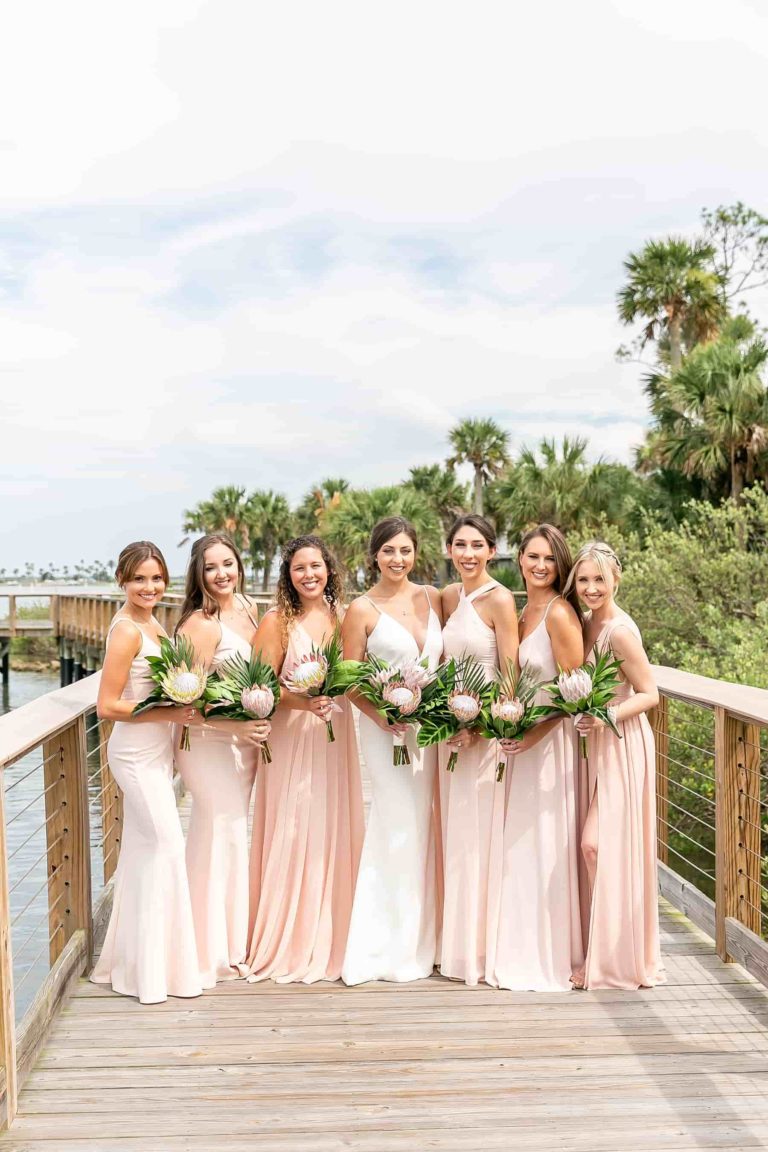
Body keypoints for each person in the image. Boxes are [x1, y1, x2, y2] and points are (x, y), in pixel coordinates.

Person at [246, 535, 364, 983]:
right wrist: (301, 702)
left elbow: (355, 675)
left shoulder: (342, 618)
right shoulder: (277, 621)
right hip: (293, 737)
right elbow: (259, 686)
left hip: (335, 740)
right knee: (295, 825)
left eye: (316, 566)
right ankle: (291, 936)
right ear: (288, 575)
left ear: (329, 569)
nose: (309, 574)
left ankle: (332, 932)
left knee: (332, 824)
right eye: (299, 568)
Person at [91, 541, 202, 1004]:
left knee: (140, 853)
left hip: (157, 754)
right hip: (134, 756)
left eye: (157, 578)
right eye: (139, 579)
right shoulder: (125, 632)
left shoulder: (153, 622)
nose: (149, 586)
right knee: (167, 845)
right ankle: (157, 973)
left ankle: (128, 963)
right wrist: (169, 712)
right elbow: (108, 704)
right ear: (122, 580)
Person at [341, 517, 442, 985]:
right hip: (386, 734)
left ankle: (428, 935)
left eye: (405, 550)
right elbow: (348, 680)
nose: (397, 559)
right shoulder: (361, 609)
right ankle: (388, 944)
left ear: (415, 553)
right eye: (388, 551)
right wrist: (382, 715)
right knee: (397, 823)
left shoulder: (433, 598)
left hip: (433, 733)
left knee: (425, 825)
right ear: (374, 556)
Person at [489, 524, 585, 991]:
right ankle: (517, 942)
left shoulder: (560, 615)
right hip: (519, 745)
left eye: (549, 558)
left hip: (549, 749)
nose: (540, 566)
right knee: (517, 847)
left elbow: (574, 696)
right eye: (532, 557)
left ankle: (545, 951)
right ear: (519, 559)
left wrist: (534, 733)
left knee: (542, 846)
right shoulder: (524, 610)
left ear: (559, 563)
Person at [566, 541, 663, 990]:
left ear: (616, 580)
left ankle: (616, 958)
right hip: (593, 746)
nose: (590, 588)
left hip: (622, 744)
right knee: (592, 847)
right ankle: (598, 948)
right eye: (583, 579)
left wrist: (604, 715)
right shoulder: (584, 625)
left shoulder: (619, 631)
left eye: (599, 579)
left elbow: (649, 694)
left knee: (597, 846)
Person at [175, 534, 269, 986]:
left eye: (228, 563)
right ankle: (210, 950)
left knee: (227, 837)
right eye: (211, 567)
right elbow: (184, 702)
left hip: (245, 745)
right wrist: (234, 728)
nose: (221, 574)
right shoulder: (200, 623)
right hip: (208, 744)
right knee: (222, 832)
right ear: (198, 573)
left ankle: (227, 940)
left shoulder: (250, 611)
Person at [438, 514, 519, 986]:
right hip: (452, 730)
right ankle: (455, 944)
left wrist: (483, 726)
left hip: (485, 735)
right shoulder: (450, 597)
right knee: (457, 835)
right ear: (449, 549)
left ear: (491, 550)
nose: (468, 554)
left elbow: (508, 674)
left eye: (477, 546)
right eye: (460, 545)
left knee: (480, 836)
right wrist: (448, 717)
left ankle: (480, 949)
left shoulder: (501, 600)